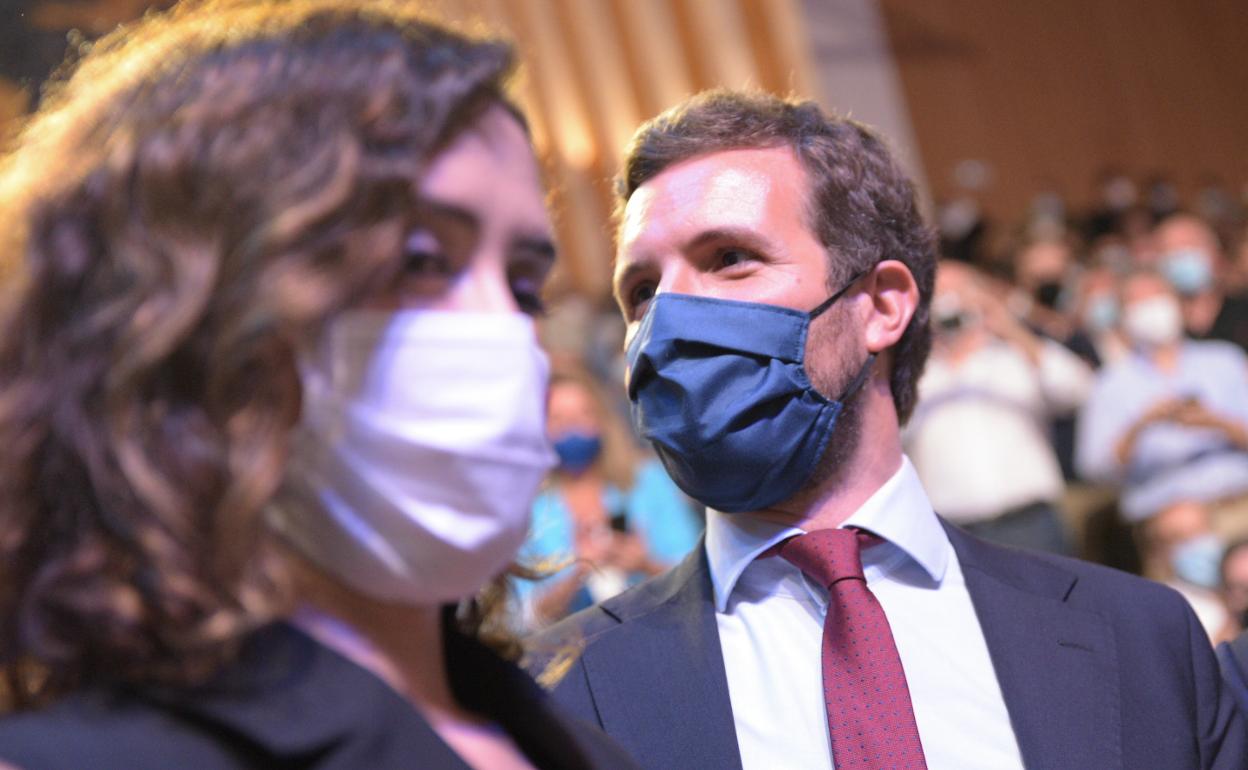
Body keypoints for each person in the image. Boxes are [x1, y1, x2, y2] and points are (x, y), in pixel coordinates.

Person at [527, 90, 1247, 769]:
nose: (668, 322)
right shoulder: (557, 697)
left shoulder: (1141, 642)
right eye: (642, 291)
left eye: (730, 259)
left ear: (880, 305)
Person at [0, 3, 638, 769]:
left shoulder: (581, 745)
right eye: (421, 260)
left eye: (525, 287)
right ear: (194, 318)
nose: (503, 329)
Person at [904, 260, 1092, 555]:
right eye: (938, 292)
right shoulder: (914, 374)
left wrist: (1008, 327)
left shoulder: (1013, 357)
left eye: (959, 291)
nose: (949, 301)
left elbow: (1077, 390)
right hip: (952, 532)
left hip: (1030, 521)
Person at [515, 369, 702, 627]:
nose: (572, 429)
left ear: (602, 420)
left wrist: (643, 564)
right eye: (558, 419)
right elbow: (521, 617)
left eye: (583, 414)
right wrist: (579, 572)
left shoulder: (648, 482)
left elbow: (697, 577)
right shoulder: (528, 509)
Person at [1076, 268, 1248, 529]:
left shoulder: (1225, 360)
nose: (1151, 308)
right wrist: (1140, 426)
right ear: (1123, 316)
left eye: (1157, 296)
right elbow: (1096, 470)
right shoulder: (1109, 385)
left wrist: (1216, 422)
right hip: (1167, 519)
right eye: (1138, 302)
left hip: (1237, 501)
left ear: (1177, 303)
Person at [1155, 213, 1248, 350]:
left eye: (1189, 246)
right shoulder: (1156, 326)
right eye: (1170, 250)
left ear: (1215, 252)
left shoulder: (1242, 309)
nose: (1182, 256)